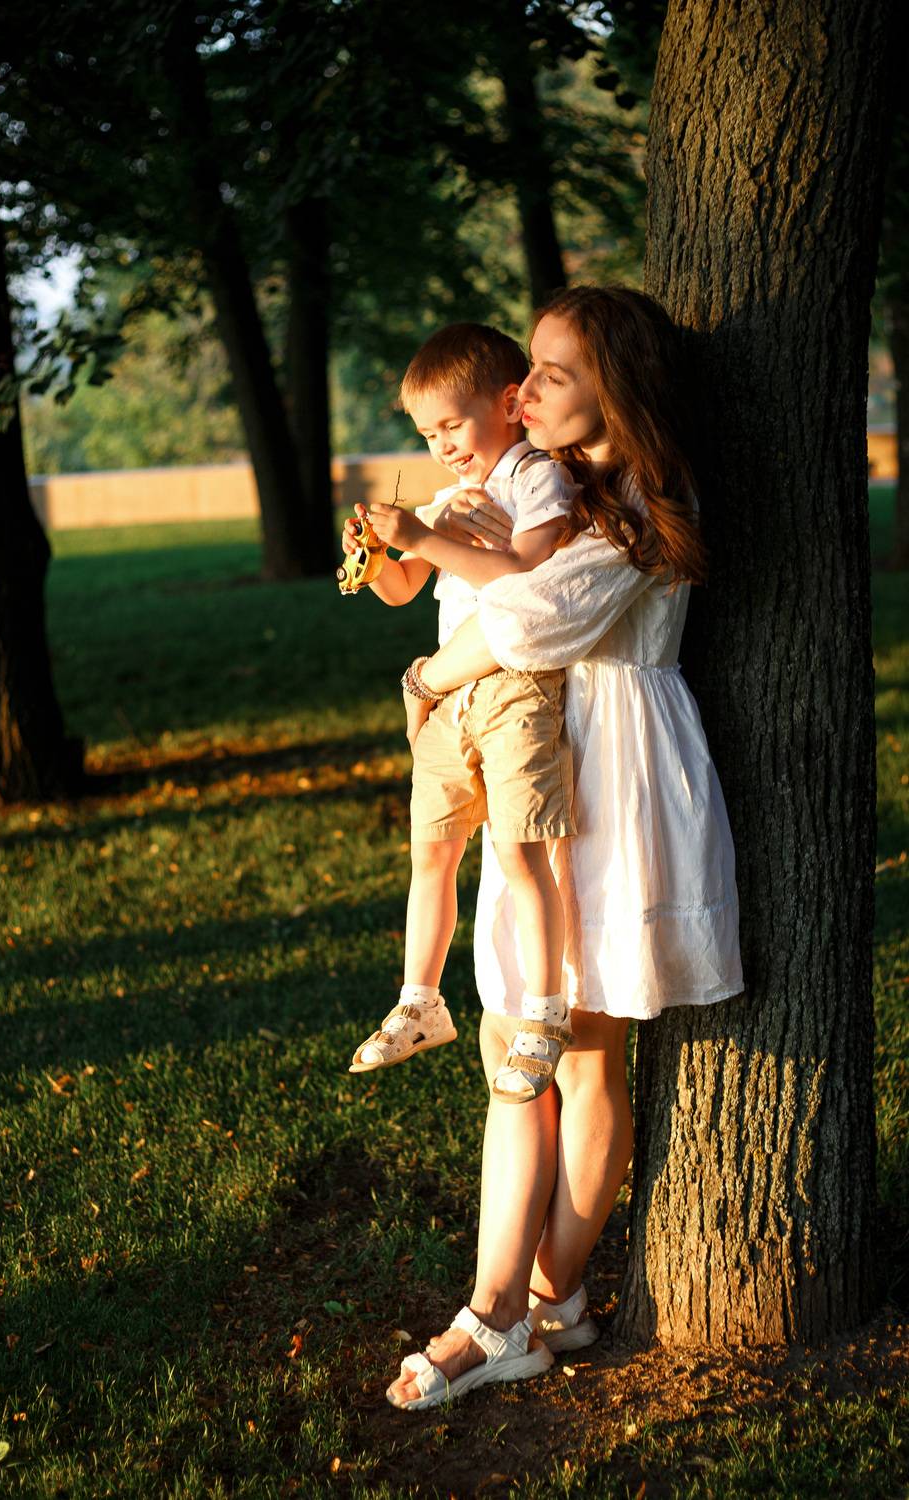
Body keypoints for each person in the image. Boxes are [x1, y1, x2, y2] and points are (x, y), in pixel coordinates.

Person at [380, 285, 744, 1410]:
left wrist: (429, 674)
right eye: (529, 368)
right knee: (523, 1040)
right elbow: (474, 590)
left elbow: (532, 620)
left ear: (613, 388)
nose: (524, 390)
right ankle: (532, 1304)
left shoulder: (641, 499)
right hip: (539, 757)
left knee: (580, 1048)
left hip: (616, 772)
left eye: (551, 373)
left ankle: (519, 1307)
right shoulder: (544, 484)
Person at [345, 321, 584, 1103]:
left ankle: (545, 1012)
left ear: (510, 404)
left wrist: (428, 534)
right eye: (427, 434)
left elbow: (527, 576)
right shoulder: (449, 498)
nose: (442, 446)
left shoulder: (538, 479)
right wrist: (376, 553)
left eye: (452, 425)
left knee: (520, 855)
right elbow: (401, 589)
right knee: (432, 853)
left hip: (516, 689)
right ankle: (421, 1002)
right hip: (451, 700)